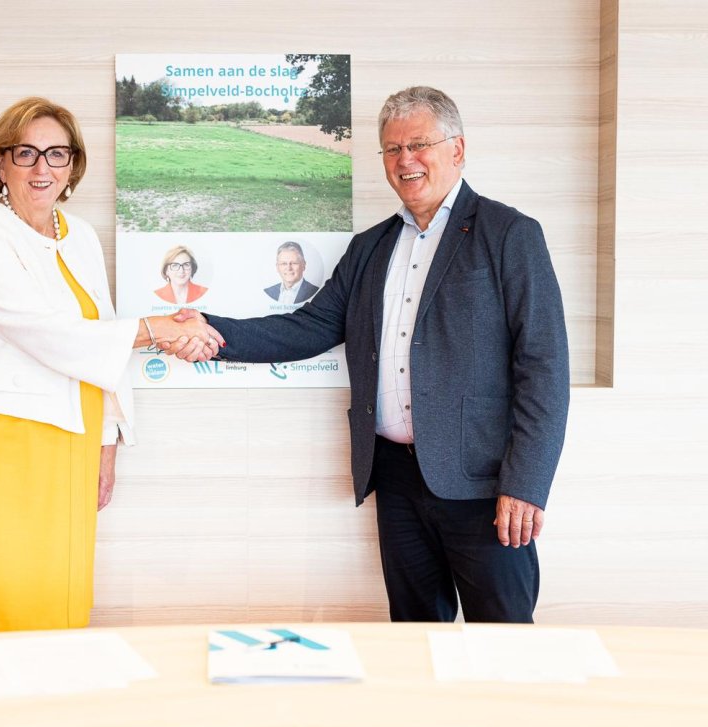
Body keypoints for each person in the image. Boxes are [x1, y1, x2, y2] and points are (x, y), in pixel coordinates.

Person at [170, 86, 570, 623]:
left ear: (458, 149)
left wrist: (525, 483)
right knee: (411, 631)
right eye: (391, 149)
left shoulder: (509, 235)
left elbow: (543, 368)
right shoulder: (370, 248)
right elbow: (309, 327)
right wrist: (209, 329)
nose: (405, 160)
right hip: (396, 478)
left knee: (502, 640)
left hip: (483, 483)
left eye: (419, 144)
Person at [0, 97, 221, 632]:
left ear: (73, 165)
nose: (43, 169)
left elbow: (96, 335)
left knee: (55, 593)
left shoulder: (78, 235)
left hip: (72, 434)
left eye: (57, 154)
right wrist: (159, 328)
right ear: (0, 163)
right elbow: (48, 334)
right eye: (26, 153)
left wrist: (106, 446)